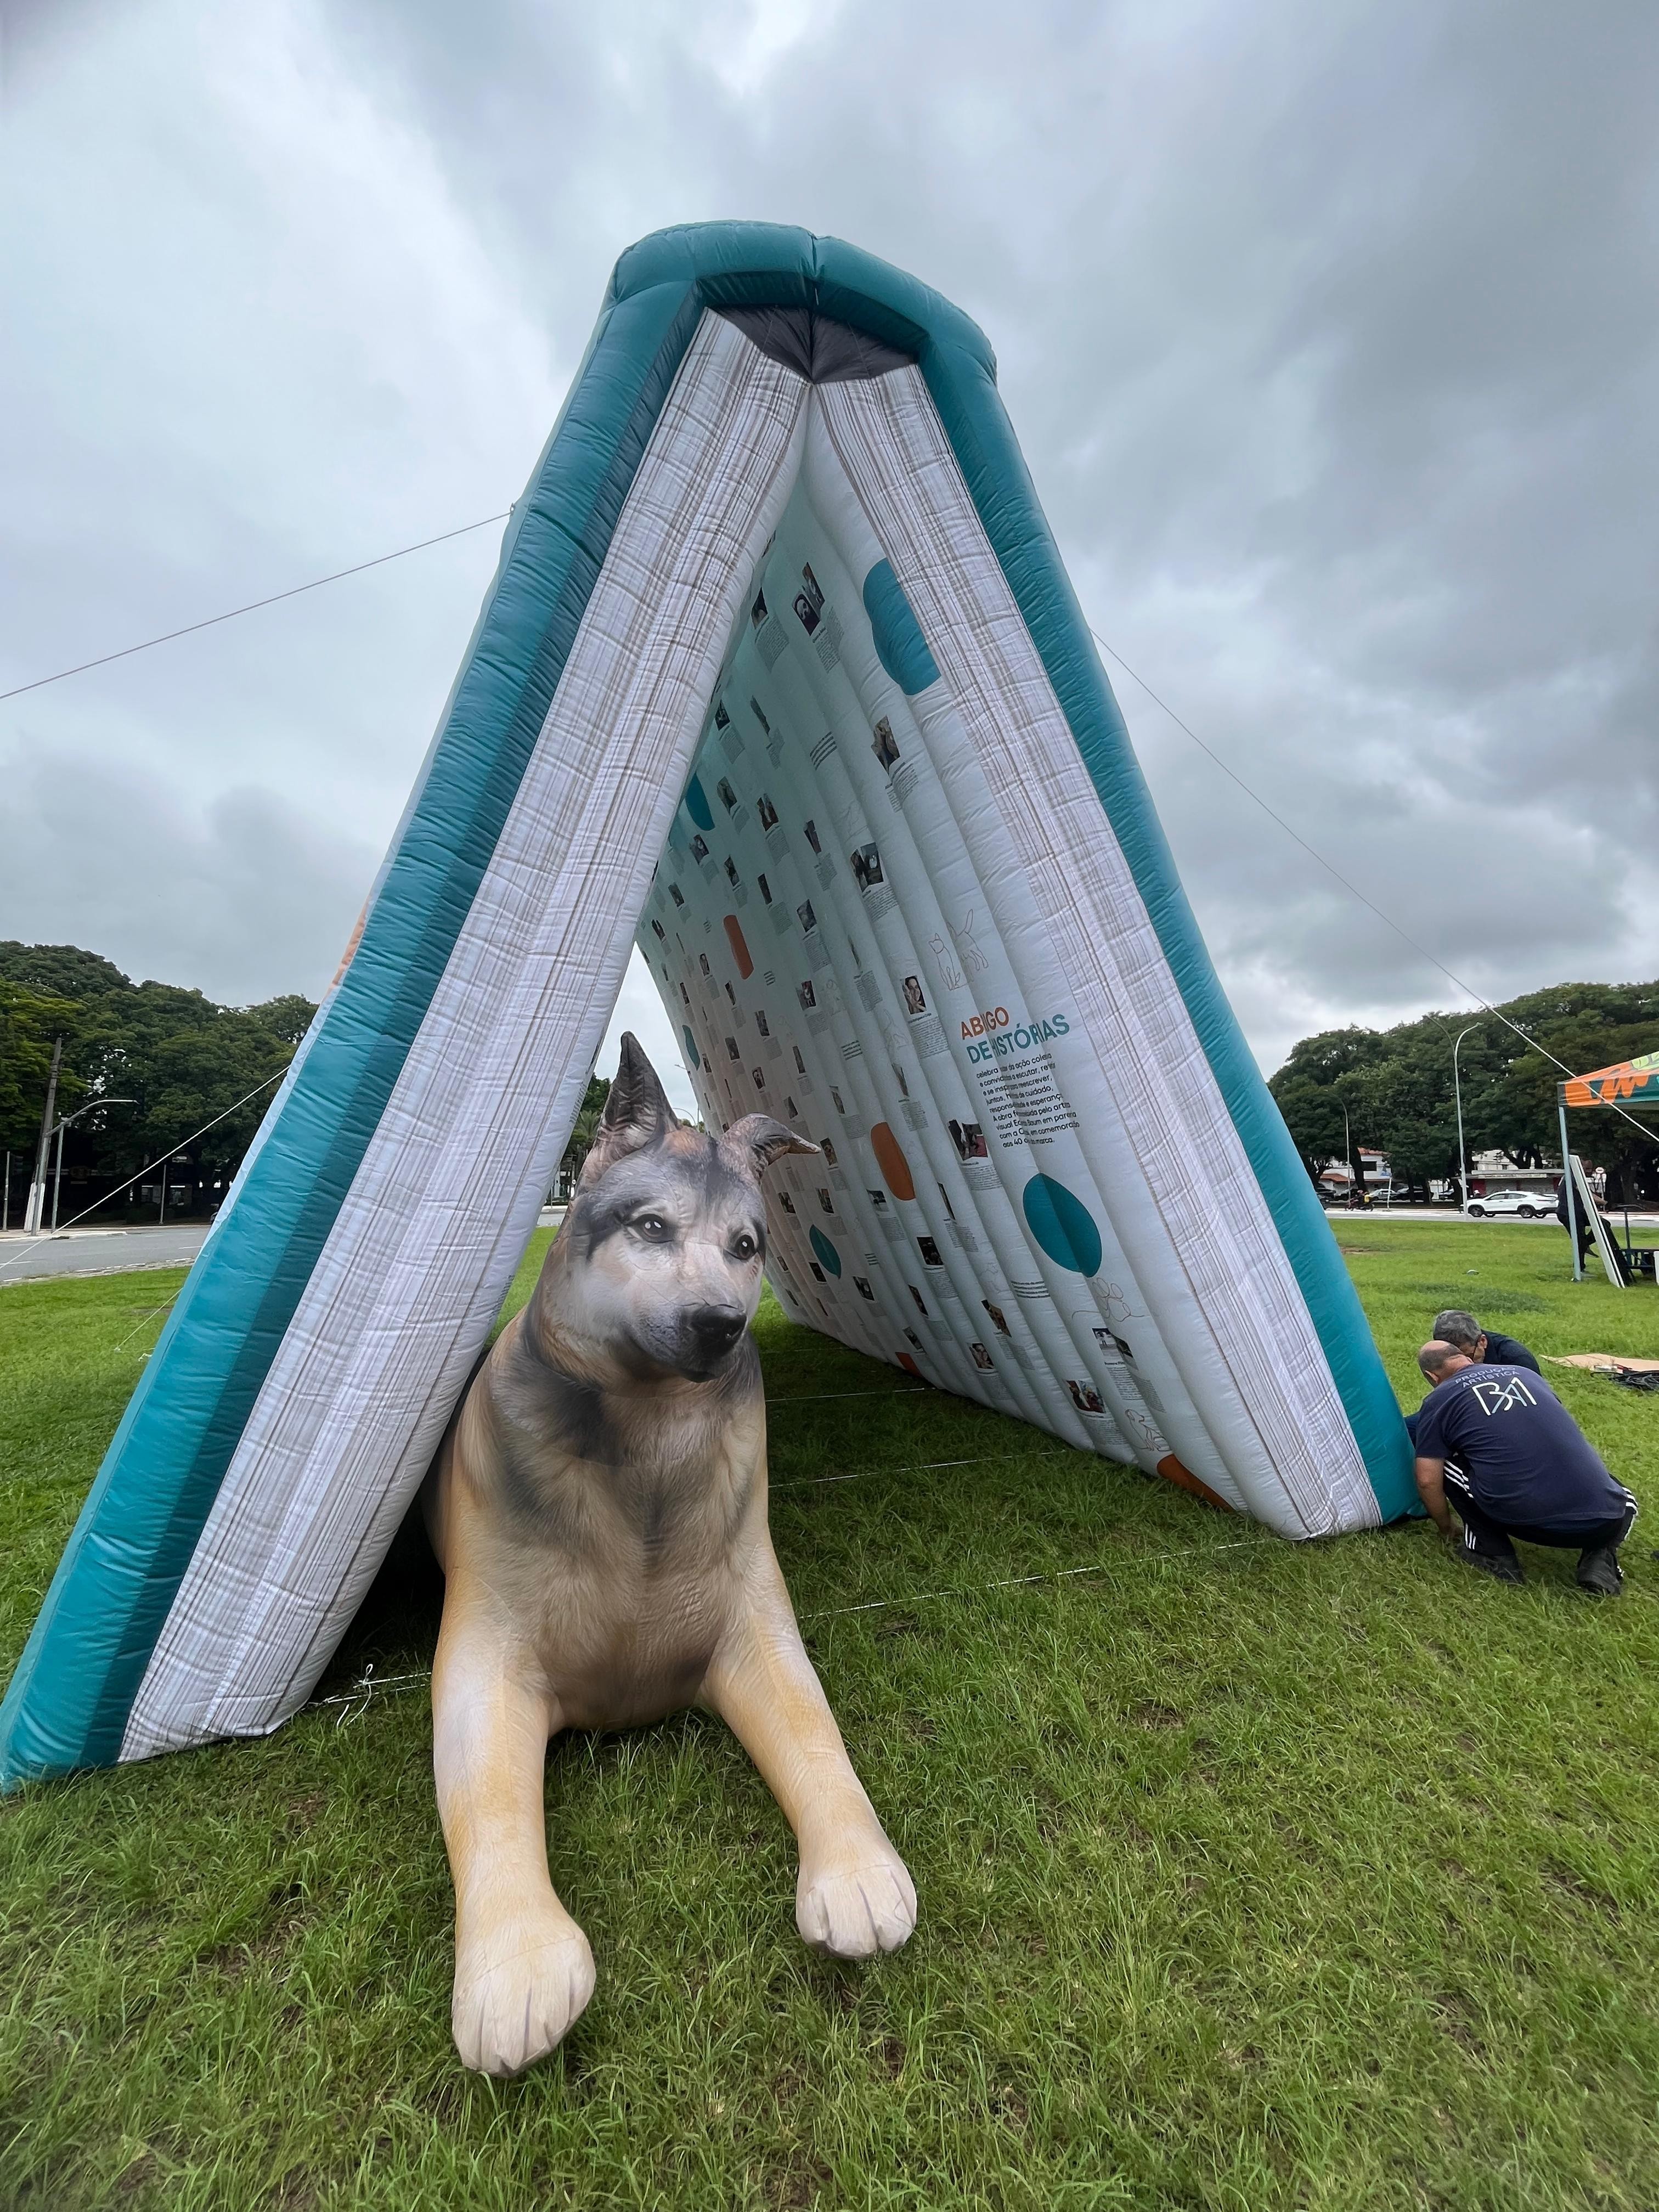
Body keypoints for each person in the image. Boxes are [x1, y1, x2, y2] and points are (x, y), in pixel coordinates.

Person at [1412, 1340, 1637, 1593]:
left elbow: (1427, 1480)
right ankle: (1600, 1556)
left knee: (1447, 1466)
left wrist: (1445, 1527)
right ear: (1465, 1358)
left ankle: (1493, 1553)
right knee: (1621, 1495)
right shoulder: (1526, 1374)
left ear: (1433, 1376)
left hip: (1526, 1522)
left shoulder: (1440, 1398)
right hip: (1603, 1520)